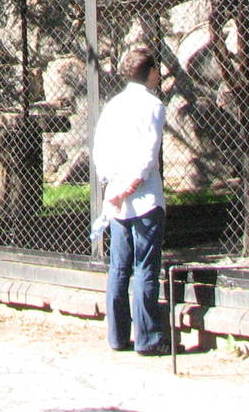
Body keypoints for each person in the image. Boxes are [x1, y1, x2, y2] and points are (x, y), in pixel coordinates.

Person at [92, 45, 168, 355]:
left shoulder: (113, 106)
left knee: (119, 267)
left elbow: (100, 149)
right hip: (145, 198)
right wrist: (131, 186)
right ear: (150, 72)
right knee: (145, 267)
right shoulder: (153, 105)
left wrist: (114, 186)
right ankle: (148, 338)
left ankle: (117, 336)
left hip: (117, 200)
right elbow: (149, 154)